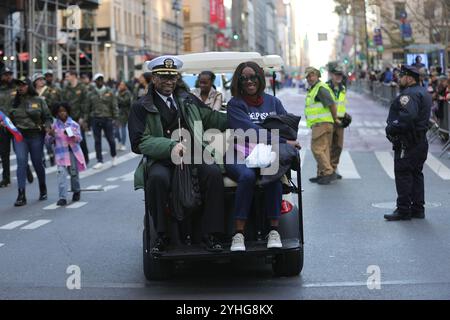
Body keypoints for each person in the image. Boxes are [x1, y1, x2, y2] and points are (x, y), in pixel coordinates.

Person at [128, 55, 227, 253]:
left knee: (214, 174)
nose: (169, 82)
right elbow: (139, 142)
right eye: (164, 77)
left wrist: (243, 118)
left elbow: (212, 119)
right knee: (157, 179)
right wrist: (170, 145)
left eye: (172, 77)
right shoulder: (141, 106)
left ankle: (211, 235)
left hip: (193, 155)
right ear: (154, 78)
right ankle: (161, 236)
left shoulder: (187, 100)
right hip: (163, 159)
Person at [225, 61, 301, 252]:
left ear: (260, 78)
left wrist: (283, 140)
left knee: (273, 174)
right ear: (239, 82)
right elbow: (249, 132)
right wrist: (282, 141)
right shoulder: (235, 104)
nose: (249, 81)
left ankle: (273, 230)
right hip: (239, 152)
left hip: (267, 153)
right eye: (244, 78)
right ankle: (239, 234)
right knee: (247, 176)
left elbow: (287, 129)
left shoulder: (273, 102)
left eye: (253, 77)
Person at [384, 65, 432, 221]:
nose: (399, 78)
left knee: (403, 174)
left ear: (410, 78)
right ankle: (418, 208)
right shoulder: (423, 92)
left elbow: (407, 117)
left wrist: (392, 127)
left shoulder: (409, 94)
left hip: (408, 141)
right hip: (420, 140)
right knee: (416, 174)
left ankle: (404, 209)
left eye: (401, 76)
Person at [5, 77, 53, 206]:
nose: (20, 87)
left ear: (29, 86)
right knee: (21, 162)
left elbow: (47, 117)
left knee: (37, 163)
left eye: (23, 85)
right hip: (20, 136)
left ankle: (43, 188)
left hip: (36, 135)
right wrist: (4, 124)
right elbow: (7, 118)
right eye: (18, 85)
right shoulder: (13, 102)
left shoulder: (38, 100)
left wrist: (48, 127)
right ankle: (21, 194)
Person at [304, 67, 340, 185]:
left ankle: (328, 172)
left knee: (317, 149)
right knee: (324, 150)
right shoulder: (315, 88)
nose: (309, 78)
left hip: (322, 124)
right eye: (308, 76)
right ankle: (321, 174)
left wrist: (335, 119)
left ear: (317, 75)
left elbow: (331, 105)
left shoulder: (320, 88)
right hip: (322, 123)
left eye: (312, 75)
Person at [46, 102, 86, 206]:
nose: (62, 113)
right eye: (59, 111)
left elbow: (79, 139)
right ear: (56, 113)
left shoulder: (74, 124)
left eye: (64, 111)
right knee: (61, 175)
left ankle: (76, 191)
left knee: (73, 173)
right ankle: (62, 197)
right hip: (60, 154)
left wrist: (71, 135)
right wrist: (51, 135)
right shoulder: (54, 126)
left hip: (72, 153)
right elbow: (48, 141)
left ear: (68, 111)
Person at [86, 73, 119, 169]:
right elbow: (87, 108)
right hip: (95, 118)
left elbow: (114, 105)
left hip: (107, 118)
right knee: (97, 140)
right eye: (98, 80)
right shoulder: (91, 93)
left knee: (111, 139)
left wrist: (116, 118)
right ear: (95, 81)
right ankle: (99, 160)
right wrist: (87, 121)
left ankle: (114, 156)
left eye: (101, 79)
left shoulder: (109, 91)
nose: (100, 81)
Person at [61, 71, 90, 165]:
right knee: (71, 138)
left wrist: (83, 117)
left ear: (73, 76)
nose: (66, 78)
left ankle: (85, 158)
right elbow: (63, 103)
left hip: (79, 118)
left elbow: (86, 103)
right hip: (69, 119)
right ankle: (75, 158)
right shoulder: (66, 88)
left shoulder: (82, 87)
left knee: (81, 139)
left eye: (67, 76)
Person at [32, 73, 59, 167]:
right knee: (39, 141)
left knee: (48, 141)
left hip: (47, 118)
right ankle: (42, 158)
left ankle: (51, 156)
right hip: (36, 120)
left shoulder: (49, 91)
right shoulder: (32, 92)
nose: (41, 81)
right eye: (39, 80)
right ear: (35, 82)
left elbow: (54, 103)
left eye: (42, 79)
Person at [326, 65, 348, 179]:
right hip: (328, 120)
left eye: (340, 75)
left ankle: (333, 169)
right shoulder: (325, 87)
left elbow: (341, 104)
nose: (339, 77)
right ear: (332, 75)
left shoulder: (343, 88)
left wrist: (345, 115)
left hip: (340, 121)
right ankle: (326, 170)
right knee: (327, 146)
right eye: (336, 75)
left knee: (338, 146)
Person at [0, 67, 15, 187]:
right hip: (3, 125)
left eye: (10, 74)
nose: (8, 77)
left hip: (17, 125)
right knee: (4, 153)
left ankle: (26, 170)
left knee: (20, 151)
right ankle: (6, 178)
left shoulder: (17, 88)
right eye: (6, 75)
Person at [115, 81, 132, 151]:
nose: (120, 86)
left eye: (122, 85)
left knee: (123, 128)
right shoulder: (117, 92)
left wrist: (117, 97)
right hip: (117, 112)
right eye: (120, 84)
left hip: (125, 113)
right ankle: (119, 141)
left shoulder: (127, 93)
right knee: (115, 129)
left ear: (125, 86)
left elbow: (125, 101)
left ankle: (123, 143)